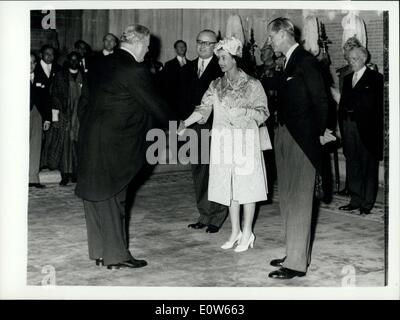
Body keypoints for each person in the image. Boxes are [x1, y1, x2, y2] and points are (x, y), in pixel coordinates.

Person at [75, 24, 169, 269]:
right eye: (147, 48)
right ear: (138, 44)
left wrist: (89, 129)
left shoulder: (98, 63)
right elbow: (157, 107)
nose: (147, 52)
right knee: (113, 197)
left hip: (90, 137)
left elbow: (83, 103)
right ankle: (116, 256)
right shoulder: (134, 69)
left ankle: (98, 251)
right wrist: (181, 122)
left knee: (94, 196)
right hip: (116, 143)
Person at [179, 37, 269, 252]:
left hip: (245, 142)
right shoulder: (216, 84)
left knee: (246, 189)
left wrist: (244, 112)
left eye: (224, 57)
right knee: (229, 189)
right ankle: (235, 231)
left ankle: (248, 233)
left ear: (235, 58)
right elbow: (203, 108)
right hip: (223, 143)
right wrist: (185, 123)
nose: (220, 61)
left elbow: (263, 112)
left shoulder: (253, 84)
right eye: (218, 57)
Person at [265, 18, 335, 279]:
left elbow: (321, 100)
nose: (270, 43)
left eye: (271, 37)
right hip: (284, 134)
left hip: (302, 139)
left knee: (299, 199)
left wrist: (320, 132)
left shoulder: (306, 61)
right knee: (287, 197)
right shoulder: (288, 63)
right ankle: (293, 251)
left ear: (283, 34)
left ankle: (296, 263)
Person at [179, 29, 228, 233]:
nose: (201, 46)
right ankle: (204, 213)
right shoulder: (188, 67)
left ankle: (217, 216)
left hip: (214, 128)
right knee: (198, 172)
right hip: (193, 128)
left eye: (207, 43)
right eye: (199, 42)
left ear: (215, 46)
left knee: (216, 172)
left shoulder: (222, 68)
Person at [337, 46, 383, 215]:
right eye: (349, 59)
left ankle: (367, 203)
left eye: (354, 59)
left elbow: (379, 108)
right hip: (348, 126)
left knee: (368, 165)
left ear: (364, 59)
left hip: (367, 128)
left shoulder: (376, 78)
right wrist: (341, 126)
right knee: (352, 162)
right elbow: (343, 104)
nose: (351, 62)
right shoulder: (348, 78)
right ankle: (355, 200)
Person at [49, 51, 83, 185]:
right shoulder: (60, 75)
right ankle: (64, 175)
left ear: (79, 61)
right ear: (68, 61)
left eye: (76, 60)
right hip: (65, 114)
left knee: (76, 145)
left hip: (79, 115)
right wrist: (56, 117)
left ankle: (75, 173)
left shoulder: (84, 76)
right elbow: (55, 95)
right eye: (72, 60)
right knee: (64, 145)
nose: (74, 62)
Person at [35, 45, 62, 169]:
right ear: (41, 54)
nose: (50, 56)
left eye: (52, 54)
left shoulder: (58, 69)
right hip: (37, 109)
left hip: (53, 108)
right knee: (37, 138)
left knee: (51, 137)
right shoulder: (34, 68)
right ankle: (36, 164)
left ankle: (47, 163)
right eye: (47, 53)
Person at [29, 52, 51, 188]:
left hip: (37, 114)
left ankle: (33, 178)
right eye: (27, 62)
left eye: (32, 62)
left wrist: (47, 119)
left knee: (36, 146)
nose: (30, 65)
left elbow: (46, 99)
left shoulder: (40, 77)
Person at [160, 40, 191, 120]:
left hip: (188, 104)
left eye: (183, 46)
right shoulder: (168, 64)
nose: (181, 48)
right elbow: (165, 86)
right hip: (173, 104)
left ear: (186, 48)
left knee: (187, 127)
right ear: (175, 49)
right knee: (173, 127)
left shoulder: (192, 64)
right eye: (179, 47)